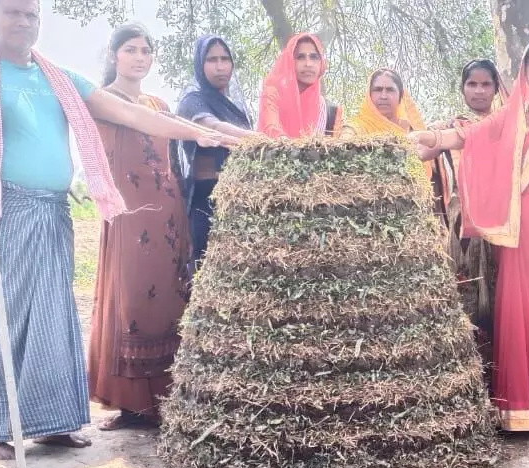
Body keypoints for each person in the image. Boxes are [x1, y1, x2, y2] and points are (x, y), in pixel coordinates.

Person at [0, 0, 230, 460]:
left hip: (53, 210)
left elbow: (133, 114)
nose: (23, 21)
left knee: (54, 320)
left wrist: (203, 135)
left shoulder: (59, 77)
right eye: (12, 12)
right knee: (1, 319)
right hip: (1, 210)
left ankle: (51, 423)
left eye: (31, 14)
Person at [408, 34, 529, 439]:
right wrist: (432, 139)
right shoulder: (516, 113)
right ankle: (523, 410)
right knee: (517, 311)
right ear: (524, 70)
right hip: (519, 226)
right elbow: (472, 135)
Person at [86, 24, 193, 431]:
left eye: (146, 51)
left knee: (170, 300)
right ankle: (133, 406)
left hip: (167, 212)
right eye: (131, 49)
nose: (139, 57)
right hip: (129, 216)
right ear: (114, 55)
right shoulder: (102, 100)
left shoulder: (159, 105)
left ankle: (169, 399)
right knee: (131, 301)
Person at [422, 59, 507, 380]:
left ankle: (504, 380)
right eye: (472, 84)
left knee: (502, 301)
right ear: (463, 88)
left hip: (503, 227)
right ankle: (469, 378)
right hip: (461, 233)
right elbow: (421, 151)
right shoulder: (450, 127)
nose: (479, 90)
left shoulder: (507, 126)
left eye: (486, 84)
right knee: (466, 299)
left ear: (496, 89)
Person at [175, 35, 258, 264]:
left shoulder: (238, 108)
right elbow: (213, 127)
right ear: (200, 64)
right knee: (206, 272)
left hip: (239, 204)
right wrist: (260, 140)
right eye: (212, 59)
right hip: (206, 204)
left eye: (225, 59)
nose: (220, 66)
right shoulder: (192, 101)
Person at [258, 33, 345, 138]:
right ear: (290, 61)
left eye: (314, 57)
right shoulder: (273, 95)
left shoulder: (331, 112)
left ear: (321, 63)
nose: (308, 64)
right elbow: (271, 129)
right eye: (300, 57)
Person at [345, 68, 427, 137]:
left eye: (390, 90)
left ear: (401, 96)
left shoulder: (413, 129)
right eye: (378, 90)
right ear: (369, 96)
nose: (383, 96)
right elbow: (346, 138)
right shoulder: (358, 128)